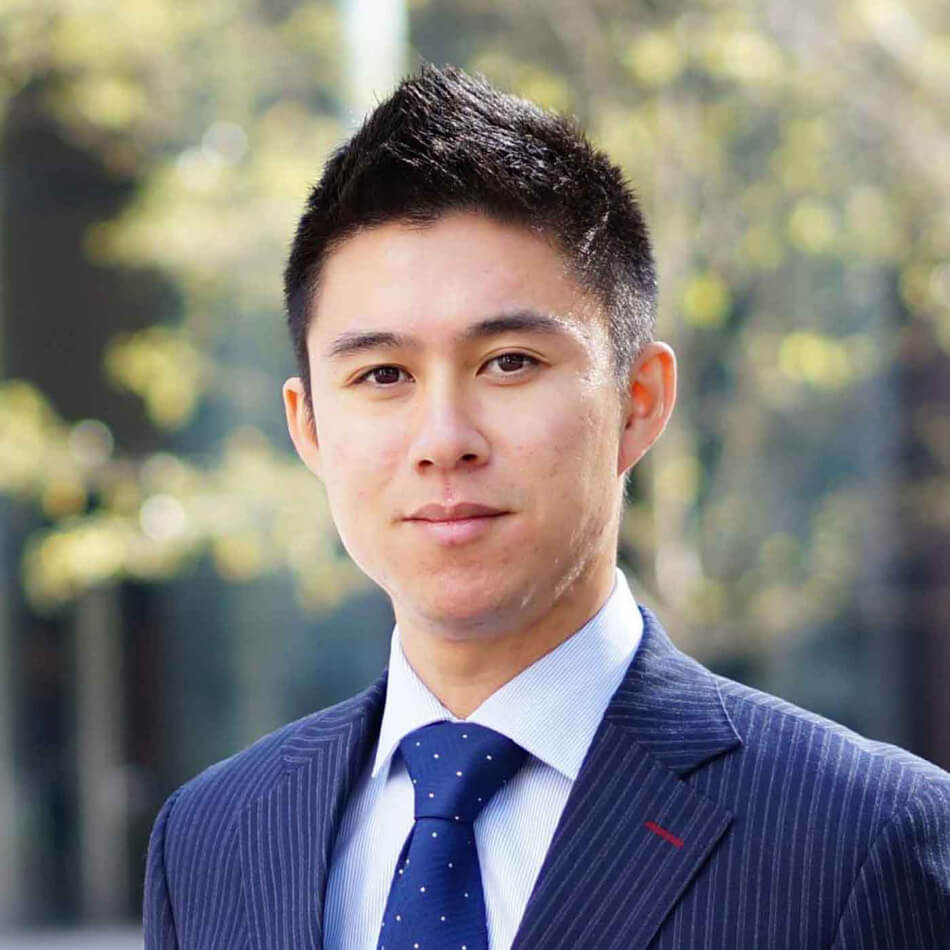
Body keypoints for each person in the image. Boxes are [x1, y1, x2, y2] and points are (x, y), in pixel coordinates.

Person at [143, 65, 950, 949]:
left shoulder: (861, 838)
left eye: (510, 363)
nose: (443, 439)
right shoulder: (211, 840)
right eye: (383, 374)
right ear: (308, 427)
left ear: (639, 400)